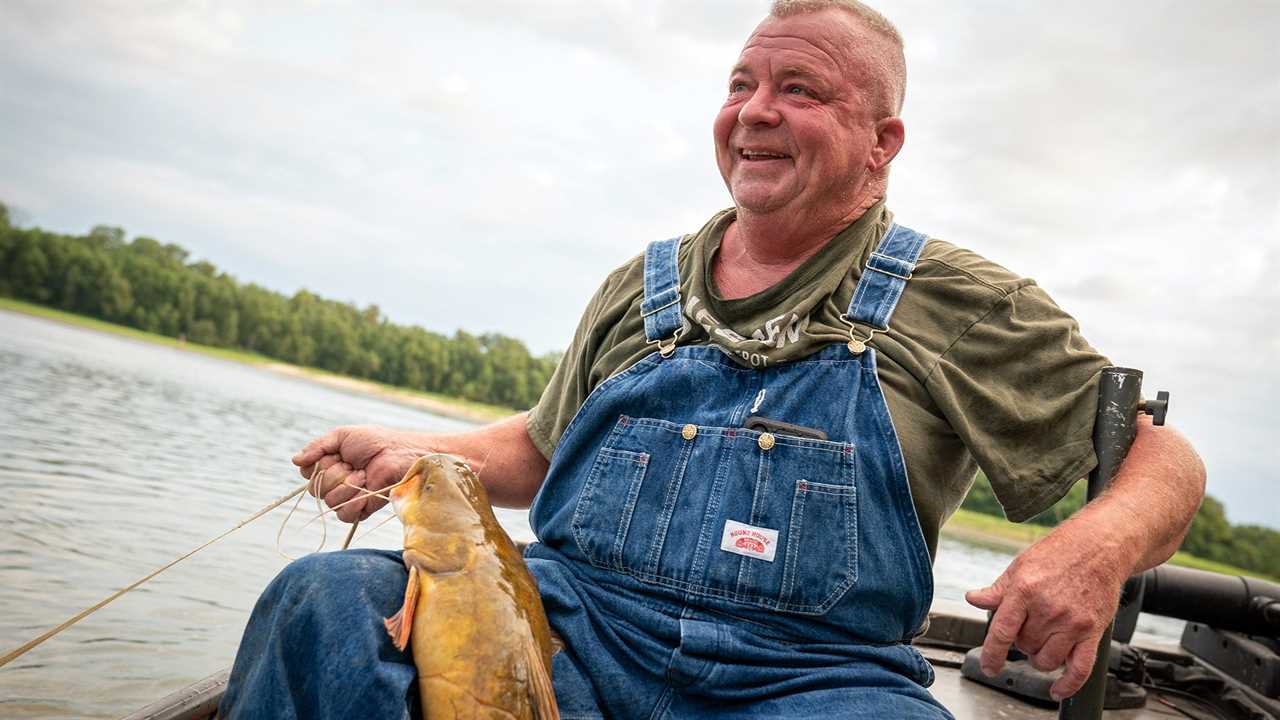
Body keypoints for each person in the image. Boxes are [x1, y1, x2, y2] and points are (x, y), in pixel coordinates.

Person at [219, 1, 1206, 718]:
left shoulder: (959, 302)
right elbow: (542, 449)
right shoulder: (639, 288)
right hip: (573, 638)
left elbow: (1163, 462)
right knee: (325, 599)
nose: (755, 110)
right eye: (741, 85)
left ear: (881, 141)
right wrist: (417, 454)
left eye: (799, 90)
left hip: (807, 682)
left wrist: (1093, 549)